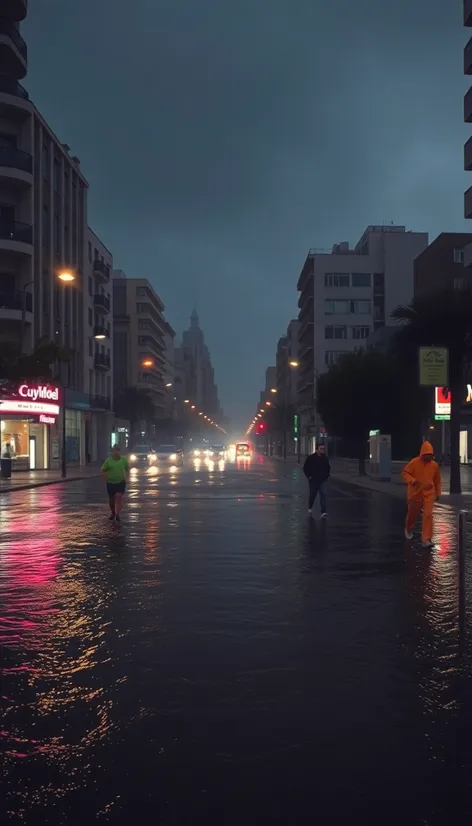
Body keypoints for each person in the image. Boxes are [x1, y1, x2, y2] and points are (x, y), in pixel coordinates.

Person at [402, 440, 441, 548]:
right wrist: (412, 480)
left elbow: (437, 480)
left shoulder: (434, 465)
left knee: (428, 514)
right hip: (415, 492)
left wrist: (437, 493)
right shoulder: (414, 462)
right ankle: (408, 528)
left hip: (429, 493)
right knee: (412, 514)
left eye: (430, 455)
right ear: (422, 454)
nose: (429, 457)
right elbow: (405, 473)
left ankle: (426, 539)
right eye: (427, 455)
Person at [101, 445, 130, 523]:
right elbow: (103, 470)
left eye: (117, 451)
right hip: (110, 483)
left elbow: (127, 469)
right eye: (114, 451)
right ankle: (113, 512)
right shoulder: (108, 460)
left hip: (120, 482)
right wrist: (105, 478)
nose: (116, 452)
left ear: (120, 452)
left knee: (119, 497)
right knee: (112, 499)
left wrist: (126, 478)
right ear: (112, 452)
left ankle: (117, 514)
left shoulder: (123, 460)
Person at [303, 442, 330, 517]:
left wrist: (326, 476)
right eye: (321, 449)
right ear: (317, 449)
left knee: (324, 495)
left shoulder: (325, 458)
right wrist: (309, 476)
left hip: (322, 480)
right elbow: (305, 468)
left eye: (323, 449)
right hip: (313, 480)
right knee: (313, 494)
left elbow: (328, 467)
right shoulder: (311, 458)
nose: (322, 450)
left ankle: (323, 512)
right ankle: (310, 506)